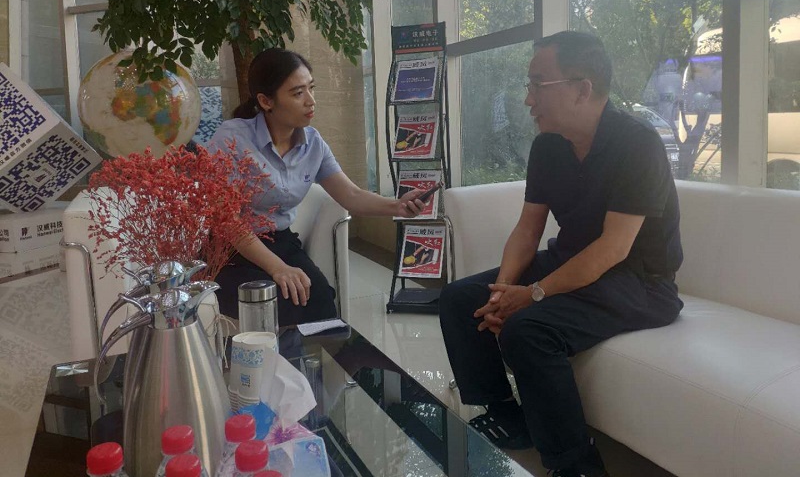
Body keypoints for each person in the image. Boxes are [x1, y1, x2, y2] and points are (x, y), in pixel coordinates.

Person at [439, 31, 684, 477]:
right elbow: (528, 227)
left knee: (527, 330)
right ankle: (509, 415)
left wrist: (532, 294)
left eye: (538, 84)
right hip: (572, 262)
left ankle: (577, 464)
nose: (528, 99)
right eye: (528, 84)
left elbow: (614, 247)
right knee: (461, 299)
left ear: (582, 88)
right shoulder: (549, 144)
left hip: (640, 281)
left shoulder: (637, 143)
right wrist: (504, 289)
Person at [207, 48, 425, 326]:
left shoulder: (313, 143)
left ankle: (317, 356)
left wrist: (397, 206)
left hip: (280, 241)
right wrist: (279, 269)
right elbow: (227, 221)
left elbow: (351, 195)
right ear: (265, 101)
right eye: (298, 93)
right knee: (279, 302)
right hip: (231, 252)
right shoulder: (232, 139)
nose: (310, 101)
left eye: (311, 88)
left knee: (320, 299)